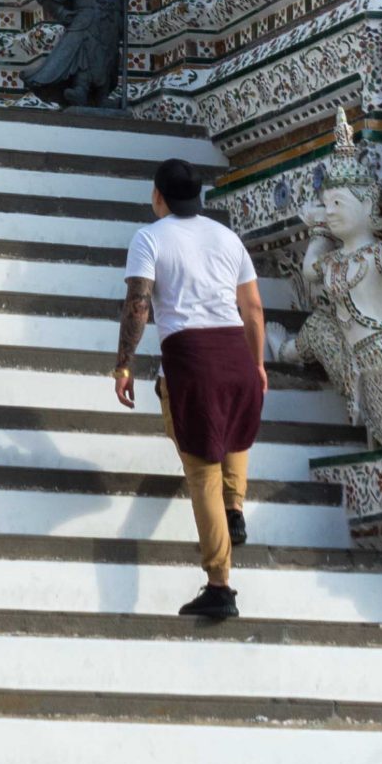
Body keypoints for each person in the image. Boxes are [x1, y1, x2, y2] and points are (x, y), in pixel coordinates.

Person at [114, 156, 266, 624]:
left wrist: (123, 364)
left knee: (201, 470)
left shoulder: (149, 238)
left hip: (191, 358)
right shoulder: (227, 237)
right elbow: (254, 309)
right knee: (234, 433)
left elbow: (139, 305)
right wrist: (257, 364)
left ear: (158, 196)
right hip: (235, 353)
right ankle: (235, 507)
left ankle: (220, 584)